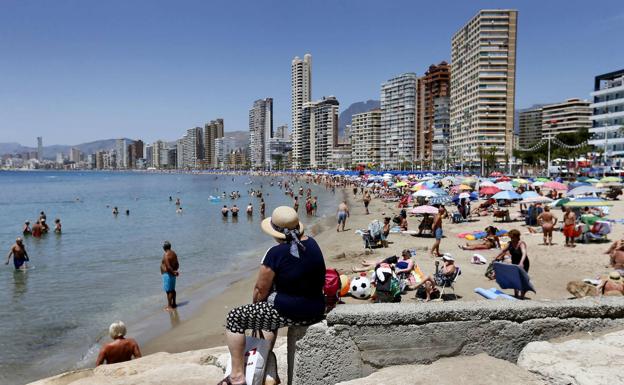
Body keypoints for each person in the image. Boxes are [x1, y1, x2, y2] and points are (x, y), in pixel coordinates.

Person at [219, 207, 325, 385]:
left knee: (235, 318)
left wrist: (256, 307)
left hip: (294, 311)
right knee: (268, 316)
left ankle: (237, 376)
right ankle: (268, 374)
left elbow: (260, 290)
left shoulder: (275, 253)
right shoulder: (313, 243)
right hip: (316, 307)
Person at [493, 229, 530, 299]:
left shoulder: (521, 243)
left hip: (524, 262)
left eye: (512, 237)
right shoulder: (510, 243)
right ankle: (516, 294)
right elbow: (503, 250)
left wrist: (521, 263)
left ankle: (522, 296)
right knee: (515, 278)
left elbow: (524, 253)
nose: (511, 239)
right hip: (514, 262)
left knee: (523, 279)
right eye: (510, 237)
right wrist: (496, 258)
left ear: (517, 236)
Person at [160, 241, 179, 311]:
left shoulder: (166, 255)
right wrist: (175, 271)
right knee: (172, 289)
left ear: (164, 247)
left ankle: (169, 306)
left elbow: (168, 267)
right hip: (172, 273)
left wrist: (173, 272)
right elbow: (177, 264)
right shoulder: (174, 253)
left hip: (168, 274)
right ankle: (174, 303)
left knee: (168, 291)